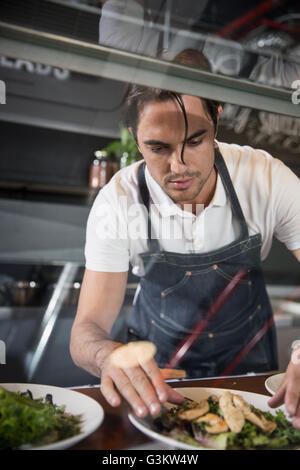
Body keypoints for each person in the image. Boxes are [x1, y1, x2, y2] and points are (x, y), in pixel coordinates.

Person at [70, 49, 300, 428]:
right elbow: (86, 330)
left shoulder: (265, 177)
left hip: (250, 385)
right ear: (134, 136)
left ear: (217, 117)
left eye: (195, 141)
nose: (178, 167)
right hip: (158, 390)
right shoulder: (118, 201)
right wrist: (105, 355)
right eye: (157, 148)